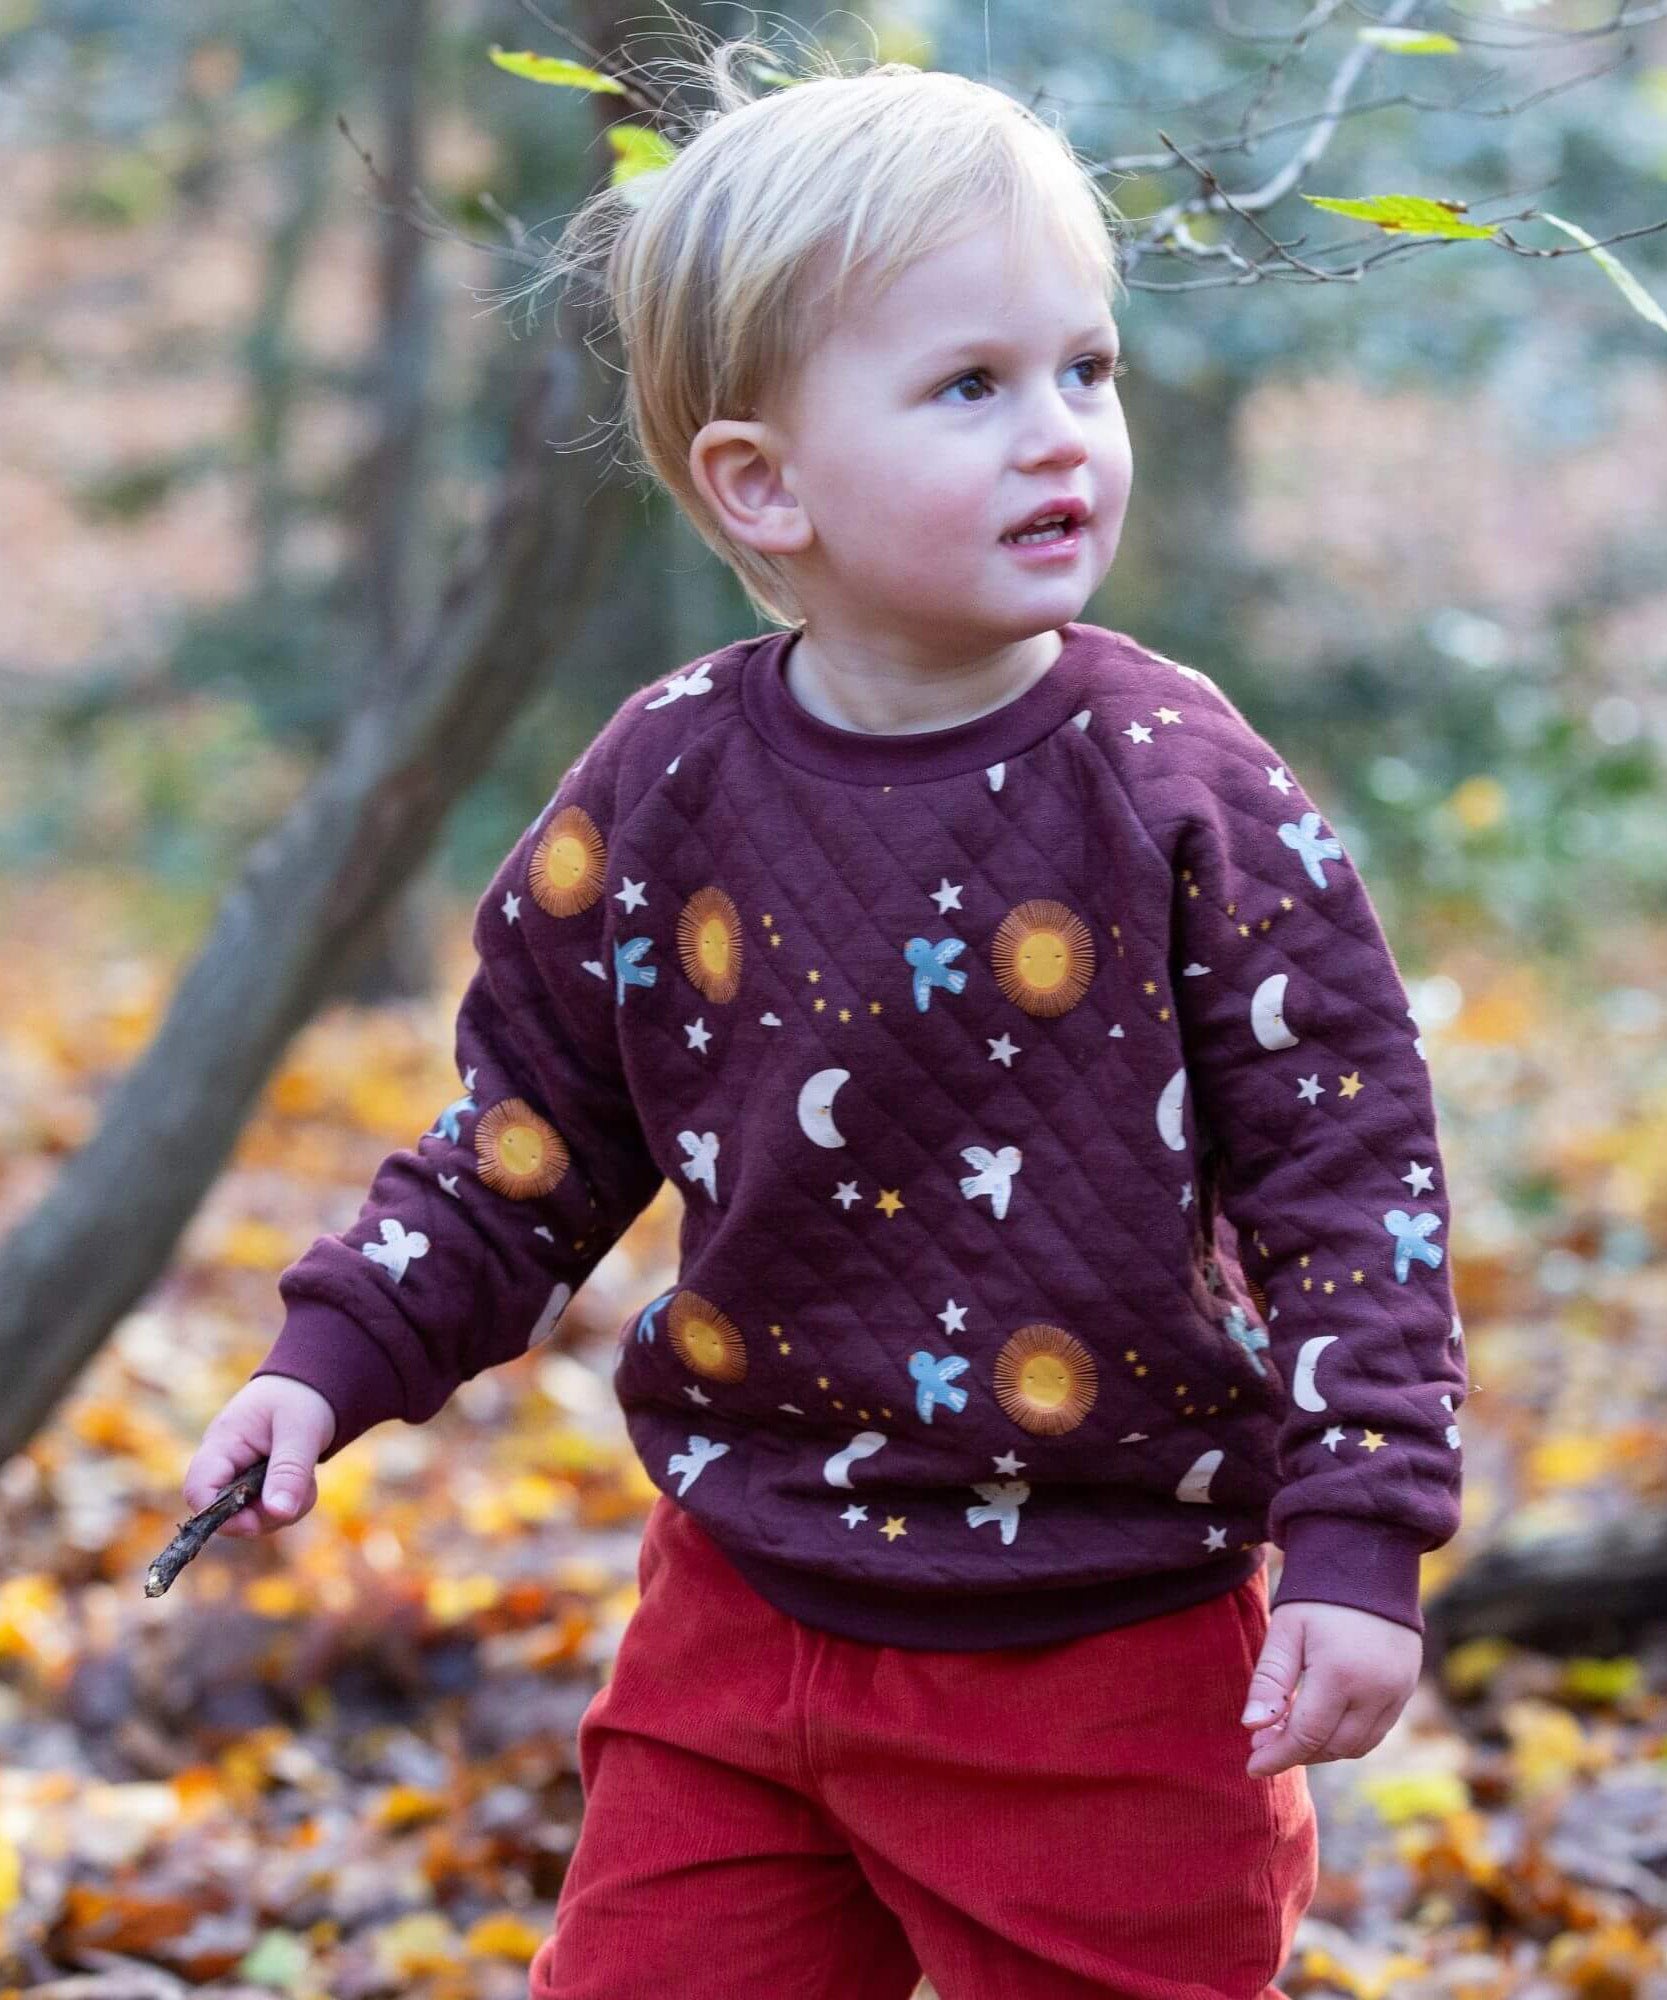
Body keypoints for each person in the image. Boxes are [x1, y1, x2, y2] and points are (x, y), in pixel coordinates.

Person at [183, 32, 1469, 2000]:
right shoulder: (666, 781)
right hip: (744, 1608)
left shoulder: (1178, 784)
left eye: (1087, 368)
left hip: (1107, 1640)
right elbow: (528, 1137)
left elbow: (1351, 1178)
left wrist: (1364, 1532)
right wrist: (335, 1353)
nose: (1061, 434)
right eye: (971, 386)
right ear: (760, 483)